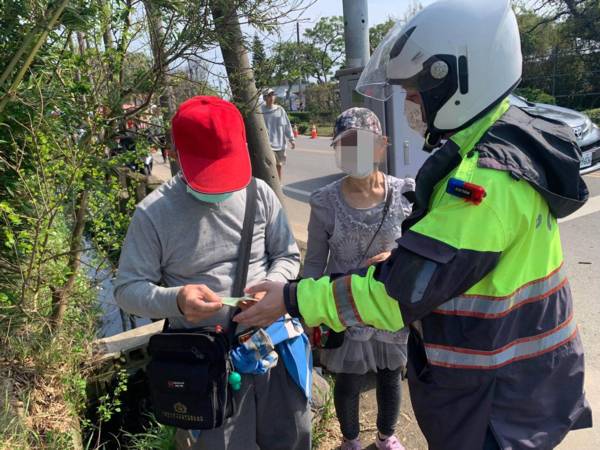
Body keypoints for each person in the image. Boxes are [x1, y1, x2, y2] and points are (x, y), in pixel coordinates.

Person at [235, 1, 592, 449]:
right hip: (523, 381)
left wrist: (290, 299)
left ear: (458, 82)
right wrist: (408, 262)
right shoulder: (503, 143)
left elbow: (396, 296)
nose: (409, 104)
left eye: (415, 92)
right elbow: (453, 262)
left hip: (497, 404)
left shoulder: (485, 183)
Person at [114, 96, 312, 450]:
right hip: (205, 364)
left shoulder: (259, 193)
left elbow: (286, 254)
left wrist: (275, 285)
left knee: (293, 436)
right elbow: (127, 289)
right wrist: (176, 300)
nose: (220, 185)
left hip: (274, 347)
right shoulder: (153, 214)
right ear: (176, 153)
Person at [304, 107, 413, 450]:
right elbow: (314, 263)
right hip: (345, 309)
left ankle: (385, 436)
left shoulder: (405, 194)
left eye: (362, 144)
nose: (354, 153)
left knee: (390, 376)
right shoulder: (325, 202)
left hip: (389, 307)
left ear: (381, 145)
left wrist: (396, 256)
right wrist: (307, 310)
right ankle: (350, 440)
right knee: (348, 381)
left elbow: (420, 248)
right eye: (345, 145)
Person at [260, 88, 295, 180]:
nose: (271, 97)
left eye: (273, 95)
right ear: (264, 98)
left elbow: (286, 125)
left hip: (280, 144)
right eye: (269, 95)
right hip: (268, 145)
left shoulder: (280, 110)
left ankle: (279, 184)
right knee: (271, 166)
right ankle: (272, 184)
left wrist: (291, 139)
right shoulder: (260, 111)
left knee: (279, 165)